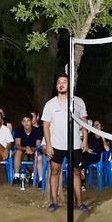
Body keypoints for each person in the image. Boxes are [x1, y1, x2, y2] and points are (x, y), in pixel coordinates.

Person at [41, 74, 88, 211]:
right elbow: (46, 126)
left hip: (75, 144)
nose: (61, 84)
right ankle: (54, 202)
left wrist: (85, 140)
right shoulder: (50, 104)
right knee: (55, 171)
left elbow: (85, 122)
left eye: (65, 82)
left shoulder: (78, 102)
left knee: (76, 172)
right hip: (57, 144)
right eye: (59, 82)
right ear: (56, 86)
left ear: (70, 85)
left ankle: (79, 203)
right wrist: (48, 145)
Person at [12, 113, 42, 189]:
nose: (26, 123)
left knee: (37, 154)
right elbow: (17, 144)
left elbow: (38, 146)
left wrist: (31, 149)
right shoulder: (19, 130)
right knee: (17, 152)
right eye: (24, 121)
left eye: (28, 120)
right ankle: (16, 176)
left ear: (31, 121)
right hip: (23, 151)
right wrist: (26, 149)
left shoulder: (37, 131)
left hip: (33, 151)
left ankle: (33, 176)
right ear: (22, 122)